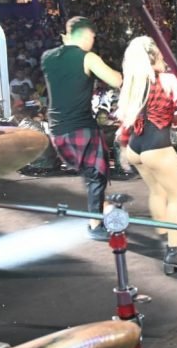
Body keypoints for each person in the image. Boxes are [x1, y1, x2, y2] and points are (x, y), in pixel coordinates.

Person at [116, 36, 177, 275]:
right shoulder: (167, 80)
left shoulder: (132, 83)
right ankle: (175, 253)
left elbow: (125, 120)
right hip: (158, 146)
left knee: (157, 192)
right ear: (154, 57)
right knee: (176, 198)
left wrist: (123, 146)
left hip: (135, 148)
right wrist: (171, 118)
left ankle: (165, 237)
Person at [42, 17, 122, 240]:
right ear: (87, 35)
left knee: (90, 174)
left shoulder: (47, 58)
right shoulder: (88, 57)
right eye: (93, 37)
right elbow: (115, 80)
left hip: (57, 131)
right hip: (82, 129)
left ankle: (104, 207)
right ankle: (95, 225)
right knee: (97, 175)